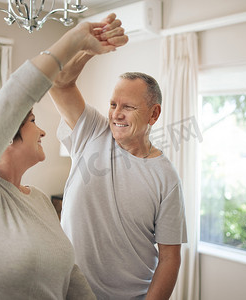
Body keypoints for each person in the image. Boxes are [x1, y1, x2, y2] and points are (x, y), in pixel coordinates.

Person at [0, 15, 128, 300]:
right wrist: (74, 41)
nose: (43, 131)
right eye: (33, 120)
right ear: (7, 130)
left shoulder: (38, 200)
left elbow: (70, 278)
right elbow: (15, 97)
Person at [50, 18, 188, 300]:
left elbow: (170, 258)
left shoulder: (166, 177)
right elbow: (59, 84)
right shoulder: (91, 131)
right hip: (67, 292)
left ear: (153, 114)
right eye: (113, 104)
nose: (116, 114)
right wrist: (89, 50)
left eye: (128, 107)